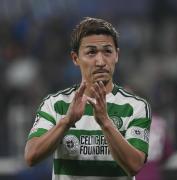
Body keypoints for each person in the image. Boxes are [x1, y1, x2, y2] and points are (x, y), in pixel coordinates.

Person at [24, 17, 152, 180]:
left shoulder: (135, 106)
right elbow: (31, 156)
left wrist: (105, 122)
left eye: (107, 51)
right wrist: (67, 121)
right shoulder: (55, 104)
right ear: (75, 58)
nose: (100, 61)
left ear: (117, 55)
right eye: (91, 52)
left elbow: (135, 166)